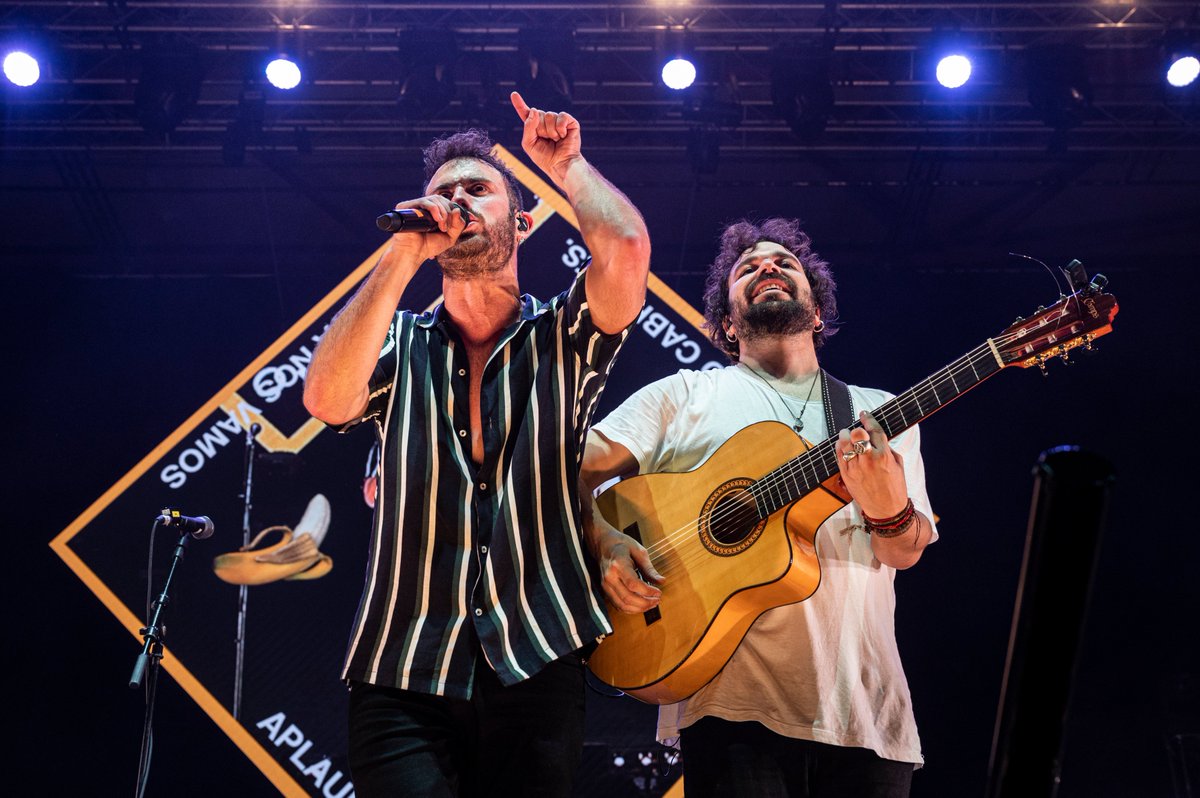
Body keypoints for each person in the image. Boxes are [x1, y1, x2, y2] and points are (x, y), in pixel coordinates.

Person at [303, 92, 650, 797]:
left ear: (521, 222)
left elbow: (625, 250)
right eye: (445, 192)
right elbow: (326, 400)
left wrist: (567, 165)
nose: (457, 200)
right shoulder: (400, 343)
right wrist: (404, 252)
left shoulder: (564, 335)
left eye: (477, 189)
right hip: (402, 666)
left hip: (537, 657)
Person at [581, 218, 936, 797]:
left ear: (817, 311)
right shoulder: (684, 396)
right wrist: (605, 538)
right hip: (729, 713)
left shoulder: (877, 413)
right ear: (727, 321)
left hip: (867, 718)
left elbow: (903, 551)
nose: (768, 267)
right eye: (747, 268)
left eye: (783, 263)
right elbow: (566, 469)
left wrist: (888, 507)